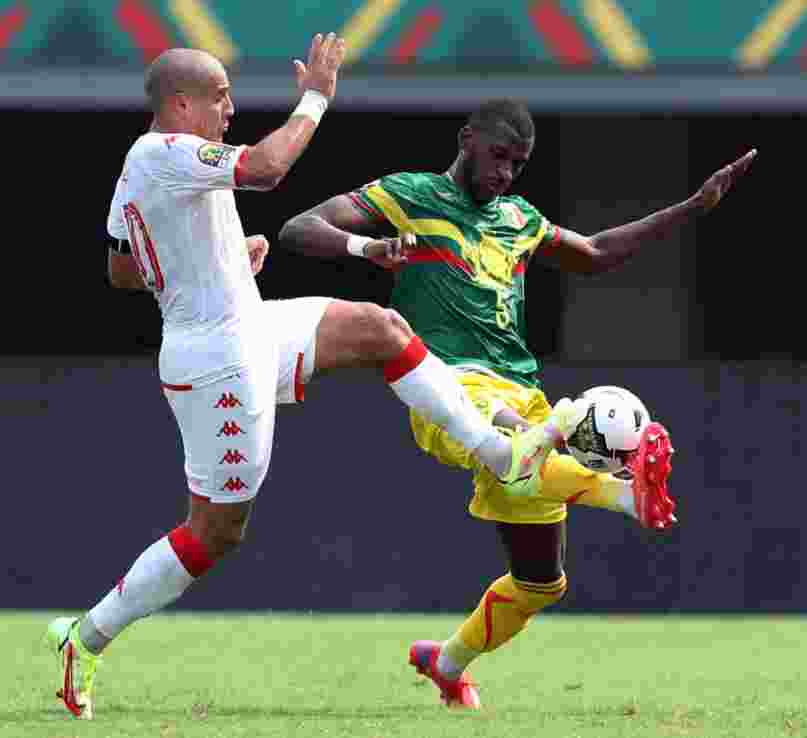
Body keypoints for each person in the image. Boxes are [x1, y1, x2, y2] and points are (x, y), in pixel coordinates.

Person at [45, 42, 558, 720]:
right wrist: (316, 95)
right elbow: (266, 169)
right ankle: (86, 637)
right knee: (214, 534)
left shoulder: (147, 167)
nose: (230, 109)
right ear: (181, 104)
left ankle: (498, 451)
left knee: (382, 328)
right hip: (215, 362)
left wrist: (223, 259)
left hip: (247, 326)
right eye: (220, 97)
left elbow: (122, 268)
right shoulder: (162, 153)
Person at [278, 98, 755, 709]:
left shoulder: (519, 218)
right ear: (466, 140)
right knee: (517, 451)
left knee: (540, 582)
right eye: (498, 156)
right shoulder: (414, 195)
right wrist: (364, 248)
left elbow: (596, 252)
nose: (505, 172)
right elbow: (299, 227)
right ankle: (621, 492)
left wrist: (691, 207)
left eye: (518, 164)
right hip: (446, 383)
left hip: (521, 392)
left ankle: (446, 663)